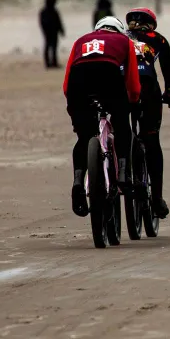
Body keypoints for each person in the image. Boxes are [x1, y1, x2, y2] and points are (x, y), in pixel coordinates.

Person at [63, 17, 141, 217]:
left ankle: (78, 182)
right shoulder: (124, 41)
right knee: (122, 125)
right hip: (108, 73)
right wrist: (131, 102)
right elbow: (132, 80)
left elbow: (66, 82)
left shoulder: (81, 41)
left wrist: (75, 107)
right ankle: (122, 172)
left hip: (78, 79)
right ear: (119, 30)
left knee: (84, 137)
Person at [125, 7, 170, 219]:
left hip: (122, 88)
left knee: (122, 134)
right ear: (152, 24)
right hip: (148, 88)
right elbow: (169, 74)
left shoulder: (121, 37)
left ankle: (122, 174)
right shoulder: (158, 39)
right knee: (152, 141)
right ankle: (157, 198)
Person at [40, 0, 65, 68]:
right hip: (52, 31)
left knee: (50, 47)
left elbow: (42, 23)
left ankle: (50, 63)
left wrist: (61, 30)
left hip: (50, 32)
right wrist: (61, 30)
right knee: (52, 47)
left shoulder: (44, 12)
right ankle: (52, 63)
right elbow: (58, 22)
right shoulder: (53, 11)